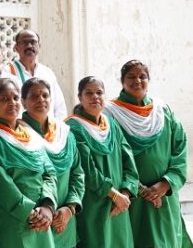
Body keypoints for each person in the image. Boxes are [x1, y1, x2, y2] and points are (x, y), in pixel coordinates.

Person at [104, 60, 191, 247]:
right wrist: (139, 188)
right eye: (131, 76)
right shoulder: (110, 114)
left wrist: (166, 184)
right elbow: (110, 157)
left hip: (164, 196)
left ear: (148, 80)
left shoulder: (162, 111)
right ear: (122, 81)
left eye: (142, 76)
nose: (137, 80)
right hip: (131, 197)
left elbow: (180, 149)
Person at [0, 78, 56, 248]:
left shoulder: (30, 135)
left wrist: (47, 206)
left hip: (40, 220)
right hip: (9, 221)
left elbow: (49, 172)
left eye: (16, 98)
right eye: (4, 99)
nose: (12, 103)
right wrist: (28, 211)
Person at [65, 76, 139, 248]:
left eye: (99, 92)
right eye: (89, 93)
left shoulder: (111, 124)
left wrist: (126, 193)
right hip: (93, 203)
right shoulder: (73, 128)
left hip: (120, 204)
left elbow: (129, 160)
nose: (95, 97)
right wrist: (114, 194)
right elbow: (87, 170)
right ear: (80, 97)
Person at [19, 78, 84, 248]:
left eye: (45, 95)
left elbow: (78, 173)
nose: (41, 100)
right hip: (36, 221)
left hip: (64, 222)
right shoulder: (17, 135)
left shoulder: (65, 134)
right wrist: (44, 211)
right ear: (23, 102)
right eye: (34, 96)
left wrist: (69, 209)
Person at [9, 29, 67, 118]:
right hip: (20, 129)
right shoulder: (7, 72)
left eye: (33, 42)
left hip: (49, 129)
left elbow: (59, 106)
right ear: (16, 47)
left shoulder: (47, 73)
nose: (29, 46)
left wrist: (58, 128)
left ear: (39, 46)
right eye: (25, 42)